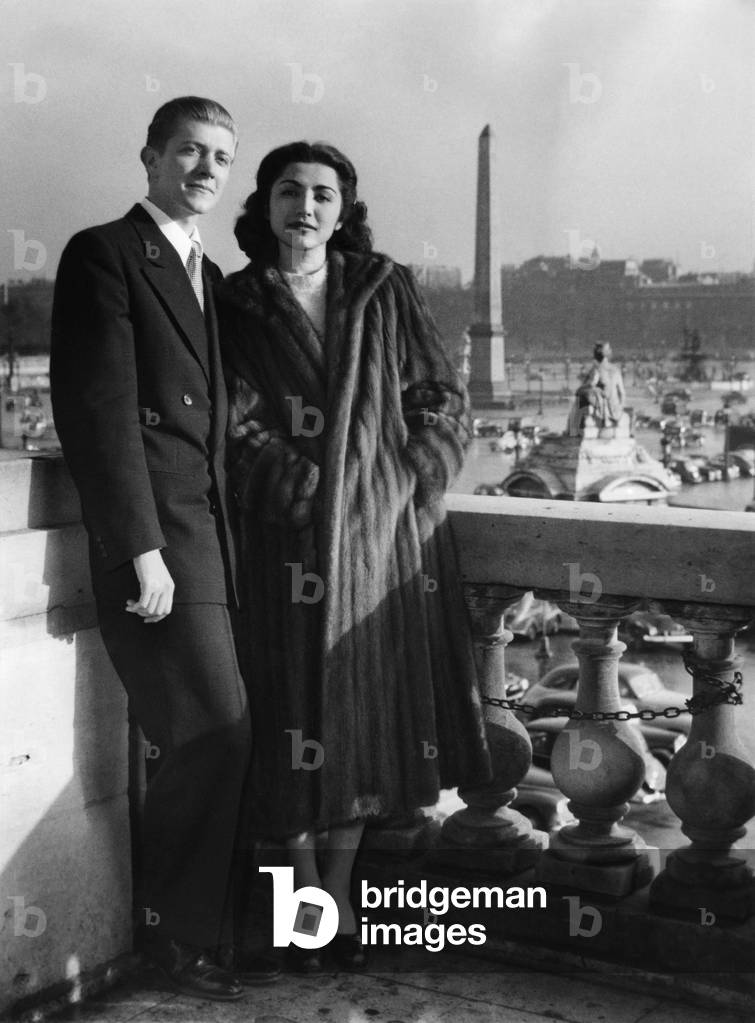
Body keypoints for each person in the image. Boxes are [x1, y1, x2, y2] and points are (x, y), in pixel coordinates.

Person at [214, 142, 492, 972]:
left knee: (362, 733)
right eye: (289, 191)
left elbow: (438, 394)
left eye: (322, 194)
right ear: (264, 205)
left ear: (343, 211)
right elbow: (231, 419)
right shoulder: (231, 303)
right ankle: (299, 912)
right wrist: (299, 489)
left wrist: (409, 474)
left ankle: (331, 905)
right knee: (288, 727)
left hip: (381, 544)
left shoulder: (383, 287)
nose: (305, 207)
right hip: (285, 548)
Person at [50, 97, 278, 1001]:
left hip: (207, 540)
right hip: (158, 543)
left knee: (209, 735)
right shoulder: (104, 253)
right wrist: (140, 548)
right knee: (214, 731)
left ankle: (195, 932)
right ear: (149, 158)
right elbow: (98, 410)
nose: (206, 169)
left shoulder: (206, 272)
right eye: (189, 150)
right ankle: (177, 938)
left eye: (221, 156)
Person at [591, 341, 626, 424]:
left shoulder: (598, 369)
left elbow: (592, 387)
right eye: (609, 349)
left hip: (604, 410)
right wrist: (621, 406)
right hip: (616, 410)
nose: (611, 350)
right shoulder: (615, 369)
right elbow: (622, 393)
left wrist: (600, 392)